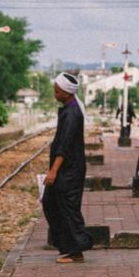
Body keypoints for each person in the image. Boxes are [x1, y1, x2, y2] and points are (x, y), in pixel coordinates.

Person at [43, 72, 93, 264]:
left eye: (57, 91)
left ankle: (76, 250)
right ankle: (68, 247)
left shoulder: (72, 113)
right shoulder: (68, 109)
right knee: (52, 203)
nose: (55, 94)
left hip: (69, 171)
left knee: (68, 209)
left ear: (66, 93)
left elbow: (64, 145)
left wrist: (53, 171)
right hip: (67, 170)